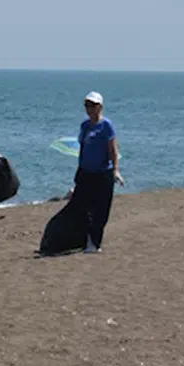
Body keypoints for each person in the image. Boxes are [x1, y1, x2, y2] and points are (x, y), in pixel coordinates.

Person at [74, 92, 125, 253]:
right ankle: (83, 240)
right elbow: (82, 148)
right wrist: (79, 170)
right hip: (85, 172)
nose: (90, 109)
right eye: (87, 105)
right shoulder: (85, 126)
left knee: (101, 210)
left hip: (103, 173)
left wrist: (116, 171)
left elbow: (113, 150)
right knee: (83, 208)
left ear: (100, 107)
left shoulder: (106, 126)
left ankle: (95, 243)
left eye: (93, 105)